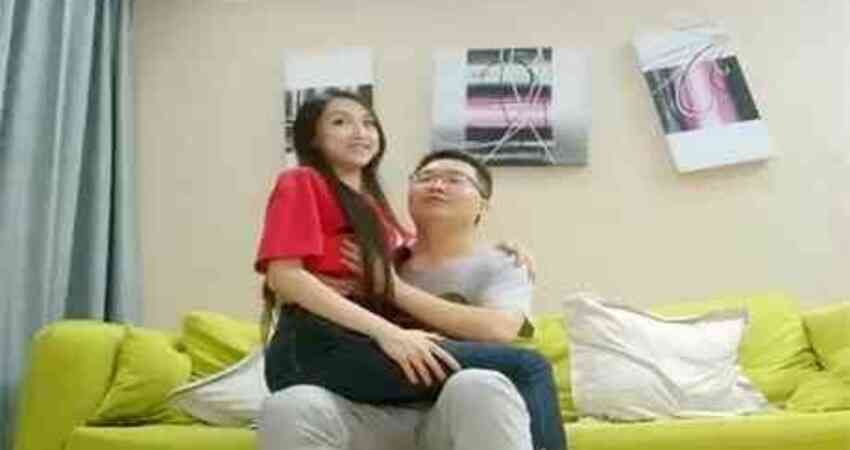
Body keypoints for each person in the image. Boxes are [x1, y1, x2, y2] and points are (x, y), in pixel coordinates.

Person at [254, 90, 566, 450]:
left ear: (482, 205)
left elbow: (407, 256)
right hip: (318, 346)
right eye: (340, 122)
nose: (360, 132)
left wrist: (506, 246)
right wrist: (390, 333)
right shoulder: (302, 180)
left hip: (356, 350)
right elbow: (284, 275)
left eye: (368, 123)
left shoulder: (375, 212)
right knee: (527, 367)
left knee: (511, 372)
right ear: (313, 137)